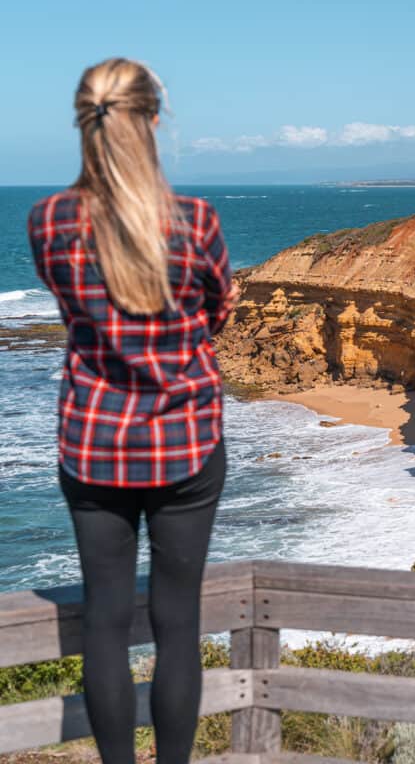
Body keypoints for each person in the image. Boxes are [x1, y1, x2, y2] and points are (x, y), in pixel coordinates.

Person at [27, 58, 240, 764]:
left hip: (92, 444)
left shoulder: (49, 221)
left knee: (105, 624)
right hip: (185, 441)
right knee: (178, 624)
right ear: (153, 120)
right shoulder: (195, 222)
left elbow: (71, 310)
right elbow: (213, 314)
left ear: (84, 123)